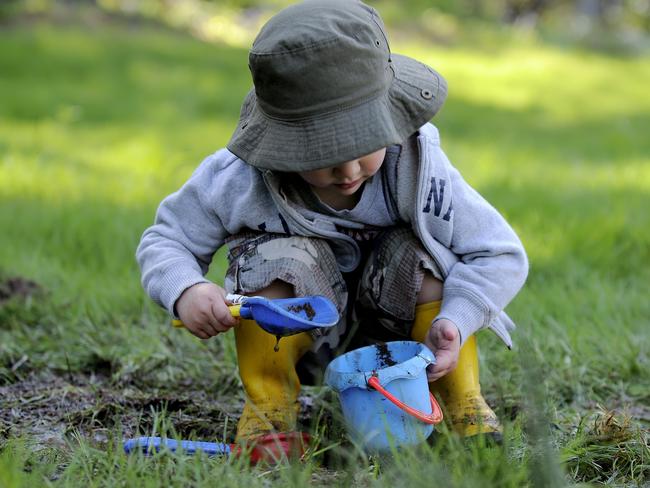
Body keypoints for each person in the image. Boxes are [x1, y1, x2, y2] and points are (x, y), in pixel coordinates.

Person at [137, 0, 528, 445]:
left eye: (364, 145)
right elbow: (167, 239)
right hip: (299, 336)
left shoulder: (418, 170)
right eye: (321, 156)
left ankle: (460, 400)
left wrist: (458, 319)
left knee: (423, 254)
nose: (347, 171)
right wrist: (186, 289)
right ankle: (270, 409)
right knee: (273, 257)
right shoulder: (241, 178)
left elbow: (499, 252)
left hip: (408, 341)